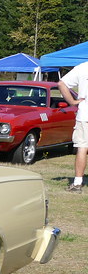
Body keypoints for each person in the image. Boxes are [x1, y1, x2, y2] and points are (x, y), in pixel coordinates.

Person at [58, 60, 88, 192]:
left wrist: (72, 102)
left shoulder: (83, 67)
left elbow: (61, 84)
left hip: (85, 115)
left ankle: (77, 183)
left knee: (82, 147)